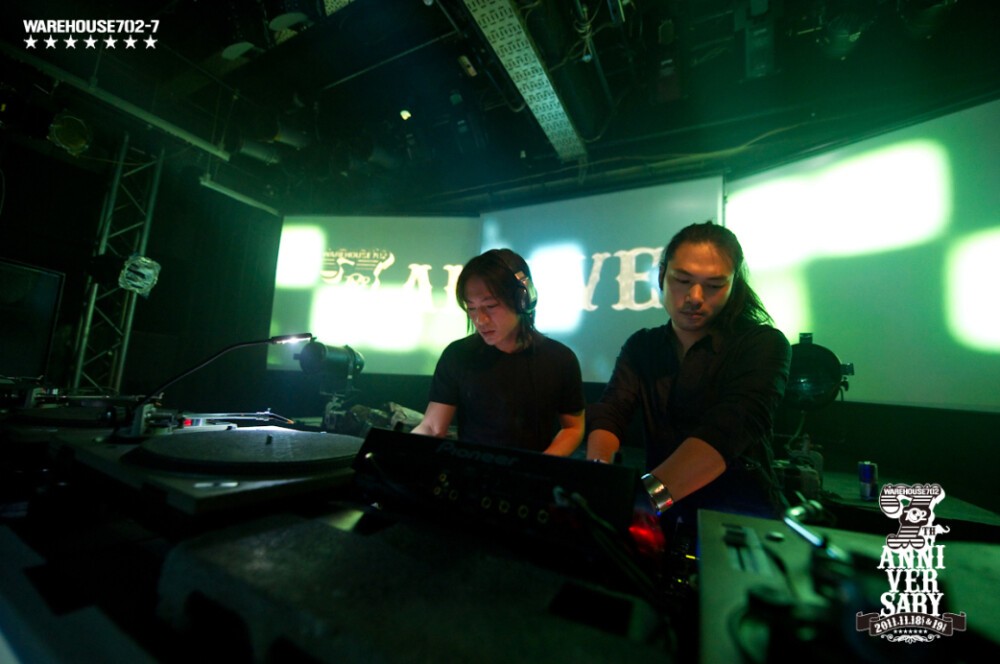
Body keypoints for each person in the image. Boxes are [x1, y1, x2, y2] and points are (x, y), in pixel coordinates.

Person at [587, 221, 791, 521]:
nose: (695, 296)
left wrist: (644, 499)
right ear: (661, 275)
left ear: (734, 286)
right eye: (682, 280)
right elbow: (612, 411)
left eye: (714, 286)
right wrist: (597, 478)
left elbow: (728, 430)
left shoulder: (762, 344)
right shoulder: (642, 346)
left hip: (740, 517)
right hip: (664, 518)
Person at [412, 248, 585, 455]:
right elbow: (432, 427)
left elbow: (573, 427)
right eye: (472, 308)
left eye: (491, 306)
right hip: (471, 471)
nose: (480, 320)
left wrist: (541, 465)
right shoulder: (458, 355)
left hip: (533, 473)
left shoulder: (560, 359)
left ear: (523, 300)